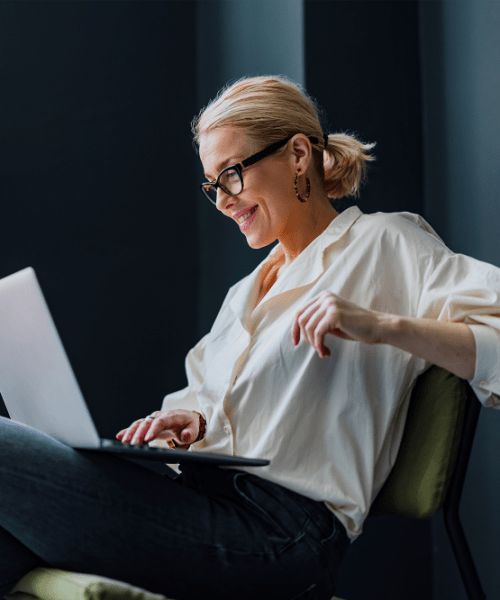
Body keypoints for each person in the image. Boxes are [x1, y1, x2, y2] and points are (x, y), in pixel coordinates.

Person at [1, 75, 499, 600]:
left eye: (232, 175)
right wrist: (192, 422)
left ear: (299, 155)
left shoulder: (385, 244)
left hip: (280, 539)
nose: (222, 201)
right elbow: (222, 411)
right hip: (198, 503)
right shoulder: (245, 292)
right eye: (212, 184)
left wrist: (382, 327)